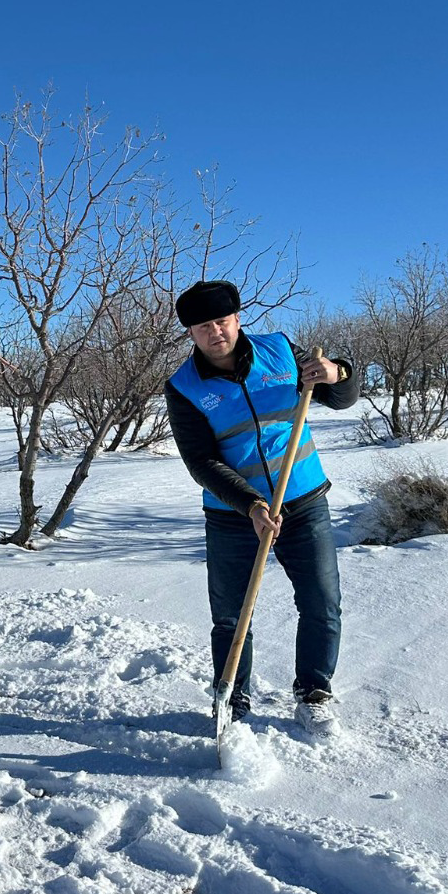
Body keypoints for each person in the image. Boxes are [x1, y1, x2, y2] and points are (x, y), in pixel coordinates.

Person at [164, 280, 359, 735]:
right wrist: (250, 505)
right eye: (202, 326)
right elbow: (201, 460)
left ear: (237, 319)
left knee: (321, 602)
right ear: (190, 333)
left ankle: (313, 692)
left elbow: (340, 396)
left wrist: (337, 374)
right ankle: (232, 698)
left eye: (222, 321)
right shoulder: (184, 387)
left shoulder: (279, 352)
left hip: (303, 501)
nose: (215, 332)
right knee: (231, 615)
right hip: (234, 515)